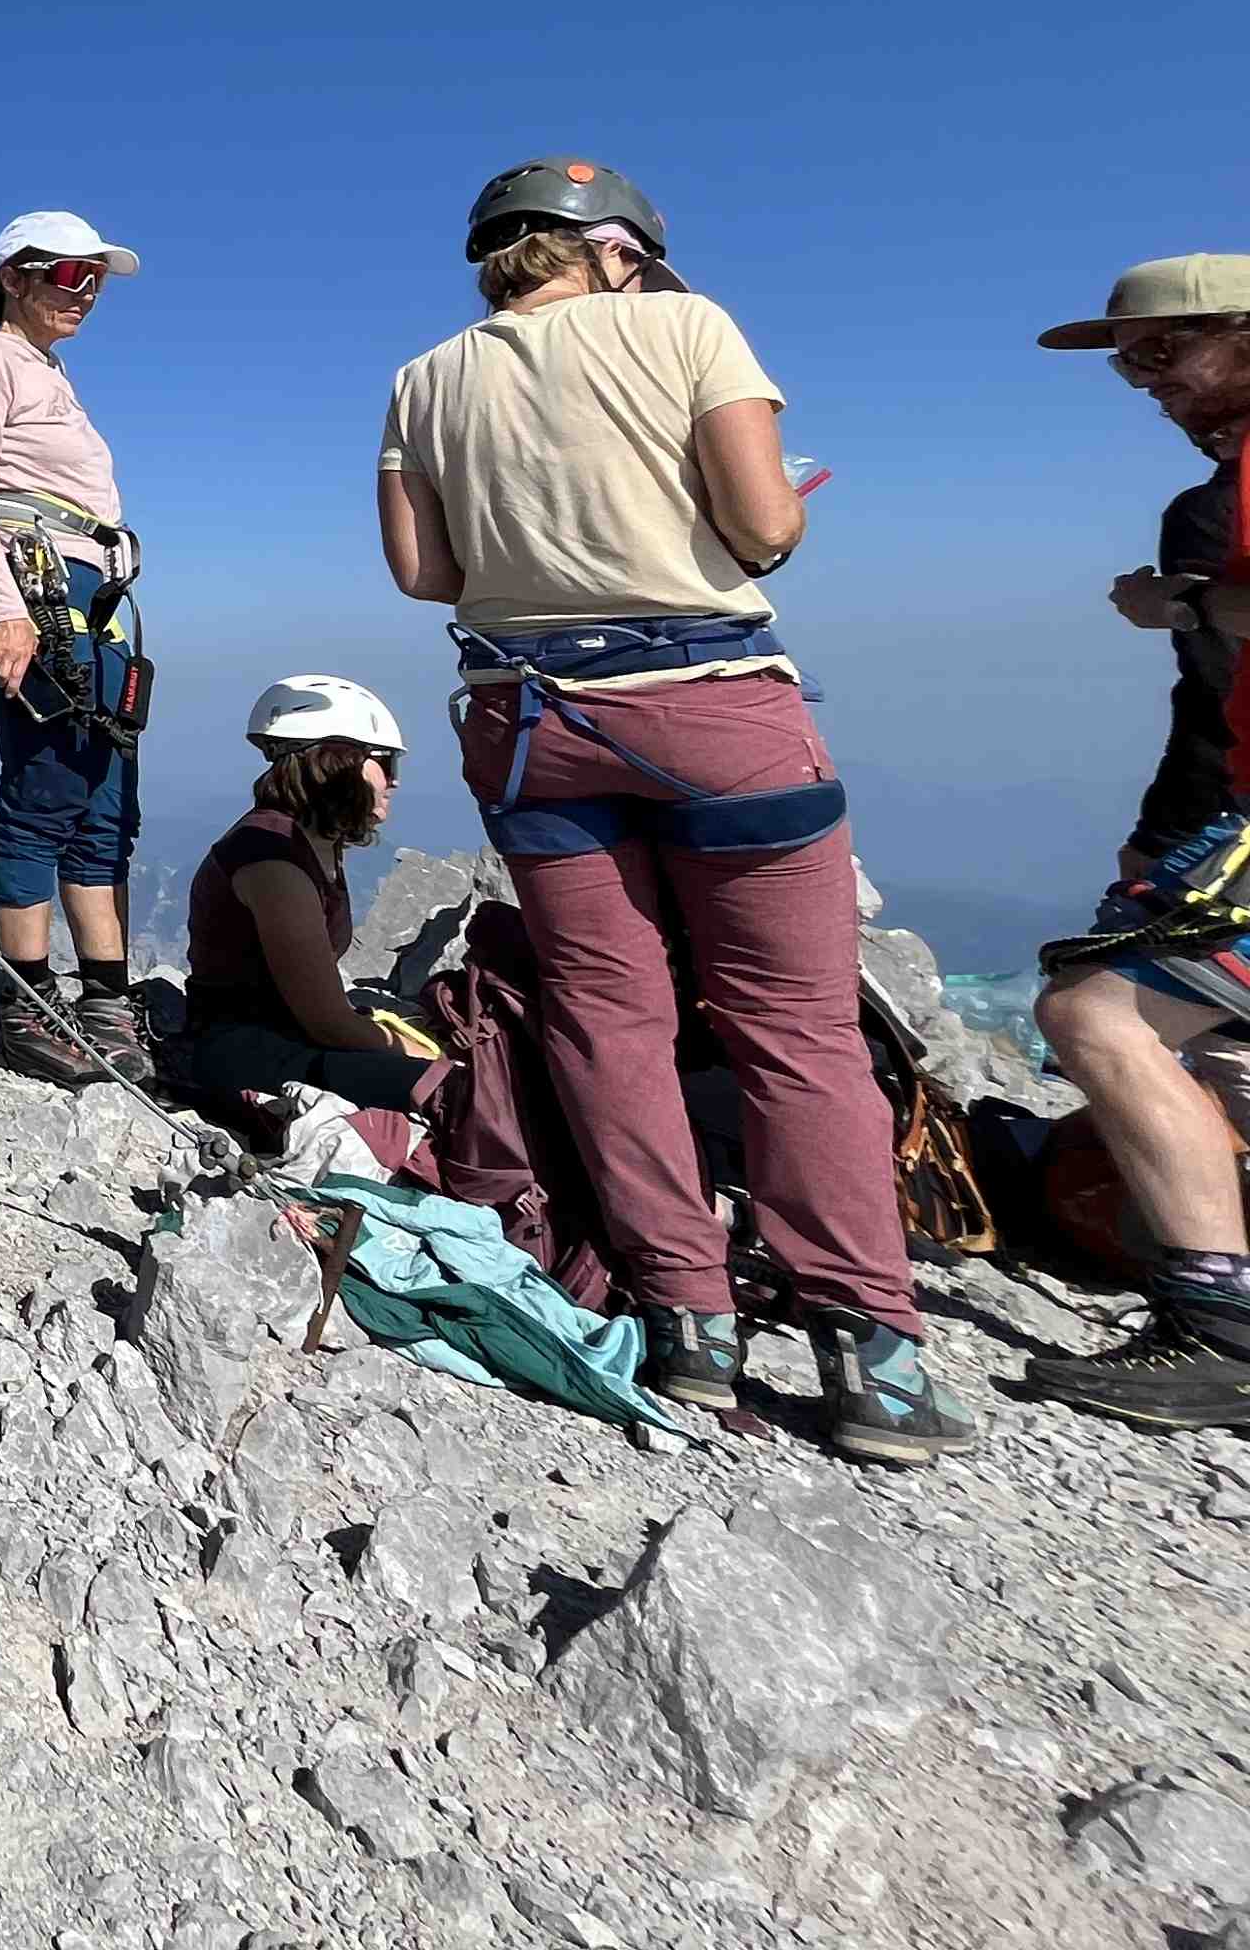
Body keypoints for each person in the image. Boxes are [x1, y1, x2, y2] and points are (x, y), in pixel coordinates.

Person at [379, 157, 970, 1466]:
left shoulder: (424, 378)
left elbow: (424, 571)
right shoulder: (689, 327)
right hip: (710, 704)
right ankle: (871, 1354)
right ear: (621, 254)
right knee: (795, 1022)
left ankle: (686, 1320)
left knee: (606, 1010)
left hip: (528, 723)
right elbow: (764, 532)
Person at [1023, 255, 1250, 1429]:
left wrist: (1188, 603)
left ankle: (1221, 1329)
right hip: (1216, 816)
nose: (1144, 381)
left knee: (1095, 1016)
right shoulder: (1220, 486)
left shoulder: (1228, 497)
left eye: (1167, 350)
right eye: (1129, 362)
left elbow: (1217, 656)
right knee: (1199, 1037)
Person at [0, 210, 149, 1087]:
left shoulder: (45, 371)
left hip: (90, 598)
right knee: (45, 789)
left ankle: (105, 996)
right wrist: (7, 611)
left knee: (103, 804)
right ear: (15, 280)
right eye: (68, 275)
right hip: (39, 593)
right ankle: (29, 999)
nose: (86, 292)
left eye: (94, 278)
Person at [175, 677, 443, 1117]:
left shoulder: (311, 841)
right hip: (249, 1054)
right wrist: (422, 1056)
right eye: (385, 762)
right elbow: (328, 1022)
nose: (394, 781)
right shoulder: (273, 860)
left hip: (280, 1037)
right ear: (339, 763)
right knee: (458, 1091)